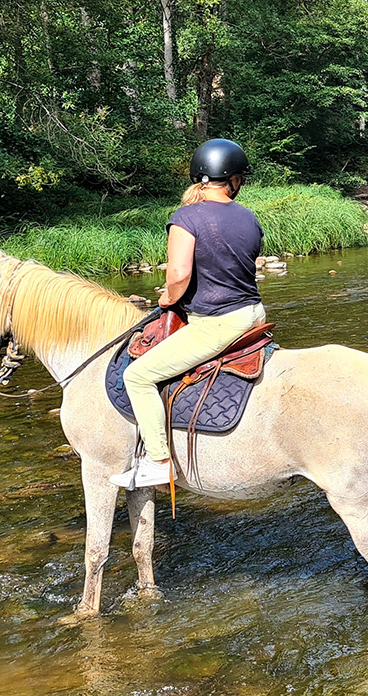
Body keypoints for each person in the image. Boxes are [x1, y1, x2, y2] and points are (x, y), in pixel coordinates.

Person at [112, 139, 267, 489]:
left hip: (216, 324)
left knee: (137, 376)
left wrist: (169, 297)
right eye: (240, 177)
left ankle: (159, 462)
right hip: (254, 314)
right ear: (231, 179)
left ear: (202, 175)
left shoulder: (186, 217)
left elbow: (179, 275)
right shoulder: (248, 217)